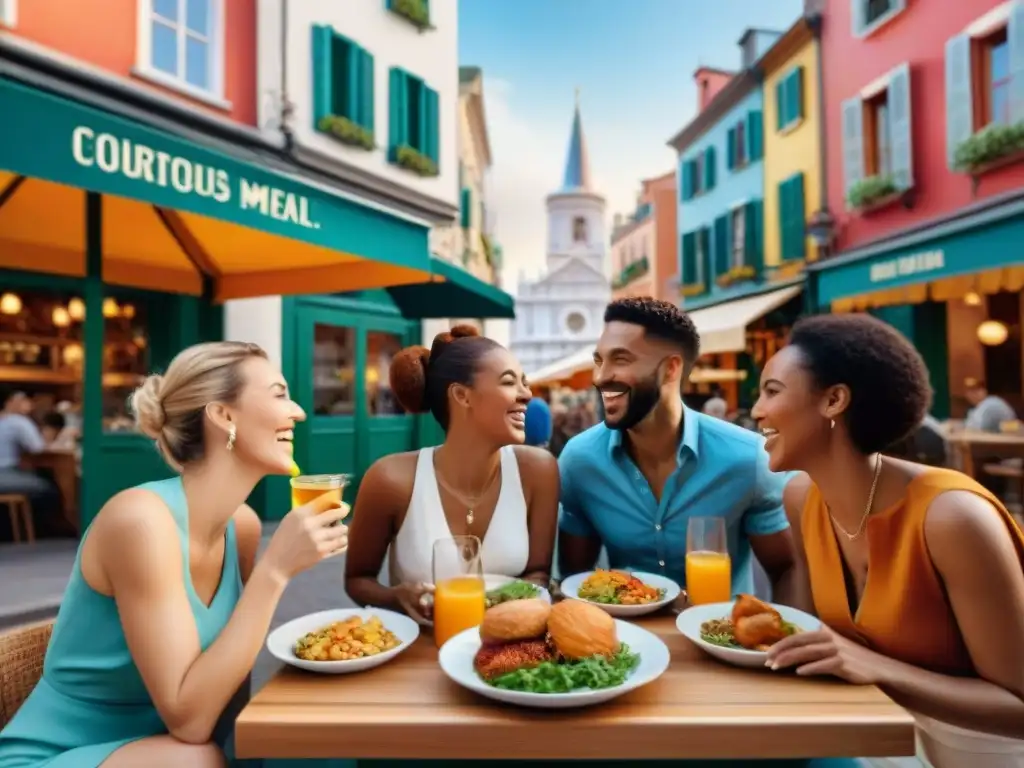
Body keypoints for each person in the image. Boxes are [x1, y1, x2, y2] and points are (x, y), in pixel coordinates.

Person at [0, 342, 349, 767]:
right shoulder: (141, 523)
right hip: (59, 756)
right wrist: (275, 570)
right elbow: (191, 724)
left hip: (168, 752)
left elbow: (224, 696)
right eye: (279, 394)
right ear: (223, 415)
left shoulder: (241, 526)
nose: (298, 412)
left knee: (314, 740)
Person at [750, 314, 1024, 767]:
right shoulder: (802, 499)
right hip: (874, 736)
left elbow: (1018, 705)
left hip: (981, 751)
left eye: (772, 391)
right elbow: (820, 644)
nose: (757, 409)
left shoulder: (952, 517)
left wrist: (876, 668)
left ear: (834, 400)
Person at [558, 297, 800, 602]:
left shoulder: (747, 459)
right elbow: (572, 580)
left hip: (718, 639)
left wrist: (781, 642)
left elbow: (786, 569)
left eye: (620, 360)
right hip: (628, 642)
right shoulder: (580, 461)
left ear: (671, 369)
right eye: (599, 360)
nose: (600, 377)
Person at [345, 325, 559, 624]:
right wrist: (397, 596)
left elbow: (538, 572)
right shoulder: (390, 479)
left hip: (508, 650)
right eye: (510, 382)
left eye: (524, 382)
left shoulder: (538, 471)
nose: (527, 394)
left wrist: (517, 602)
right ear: (462, 395)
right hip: (419, 653)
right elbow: (358, 580)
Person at [0, 388, 62, 535]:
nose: (29, 404)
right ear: (11, 402)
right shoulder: (18, 421)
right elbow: (37, 448)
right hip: (6, 475)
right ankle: (49, 531)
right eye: (24, 400)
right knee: (47, 487)